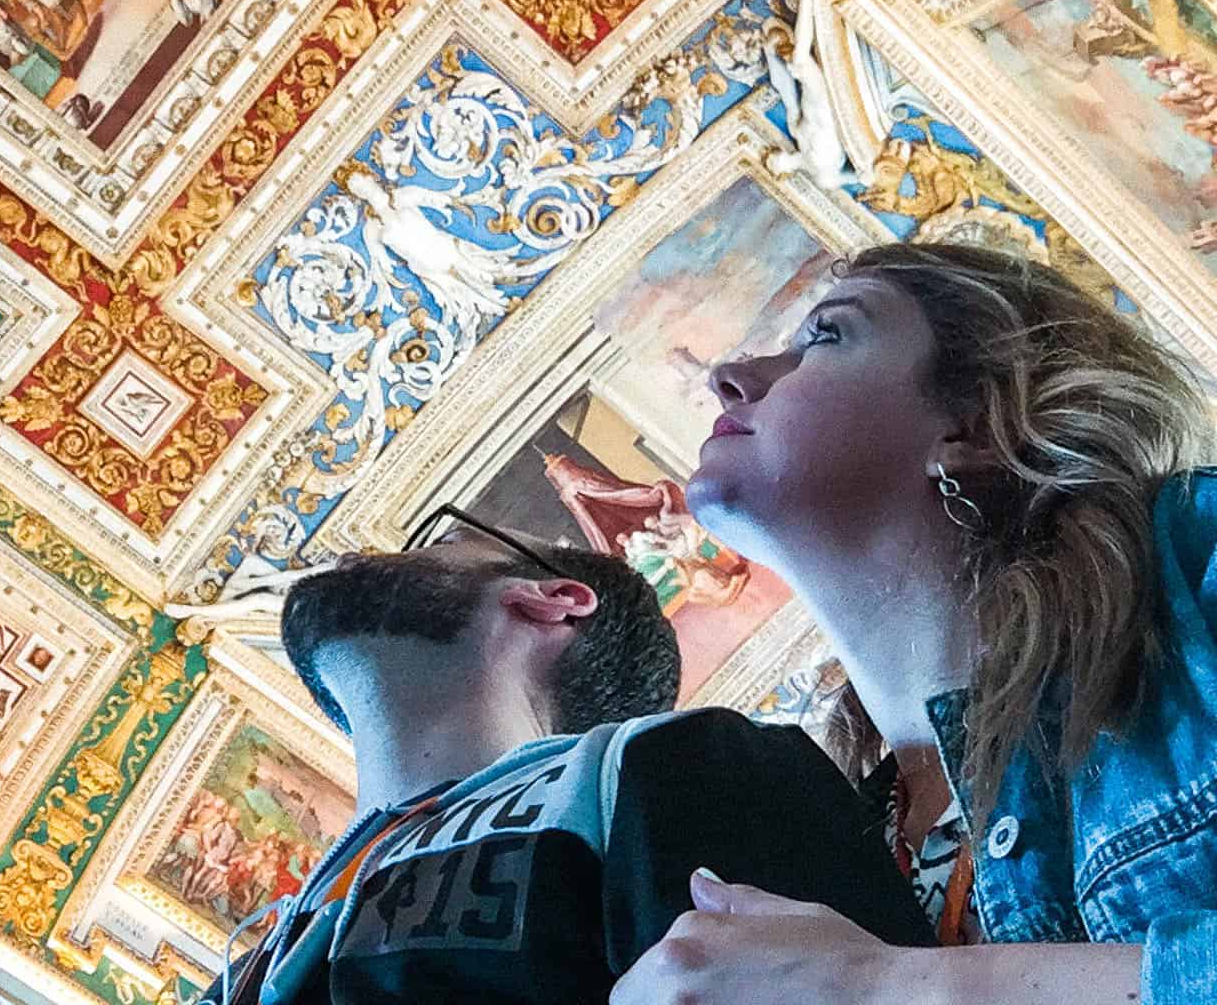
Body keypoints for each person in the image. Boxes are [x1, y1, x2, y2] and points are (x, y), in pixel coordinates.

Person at [611, 242, 1217, 1005]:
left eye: (824, 336)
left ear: (972, 424)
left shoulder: (1196, 560)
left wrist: (889, 986)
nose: (729, 377)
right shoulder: (823, 834)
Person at [199, 506, 933, 1004]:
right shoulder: (257, 950)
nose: (369, 548)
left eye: (442, 542)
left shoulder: (669, 764)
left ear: (552, 597)